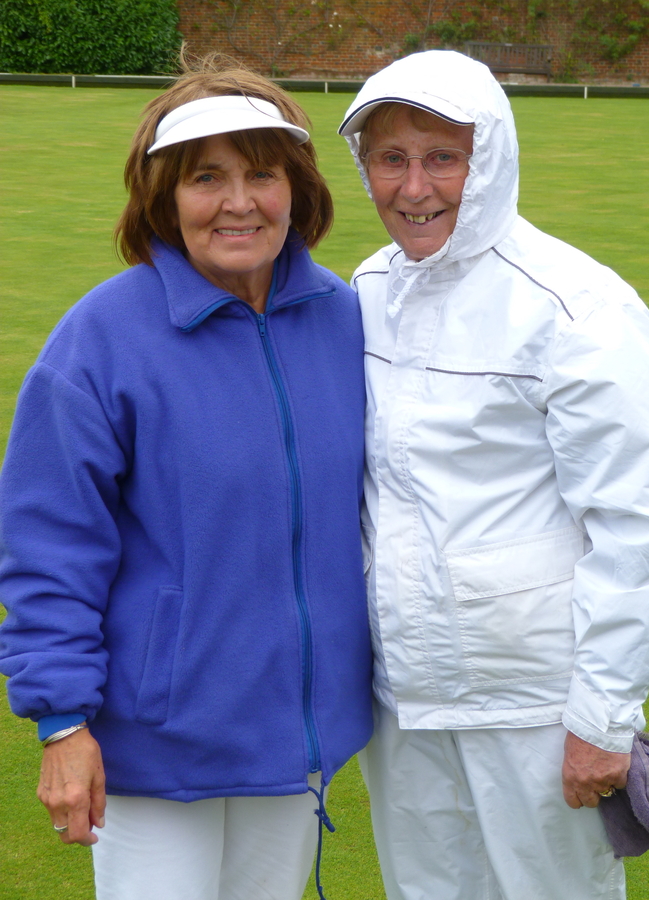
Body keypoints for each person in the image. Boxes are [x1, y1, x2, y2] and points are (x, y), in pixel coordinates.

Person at [0, 56, 372, 900]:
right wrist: (61, 721)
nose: (238, 202)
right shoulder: (99, 340)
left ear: (297, 189)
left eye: (261, 174)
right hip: (156, 748)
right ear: (162, 196)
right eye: (207, 177)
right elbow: (50, 548)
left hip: (297, 741)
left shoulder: (348, 321)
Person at [338, 50, 649, 900]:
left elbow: (639, 530)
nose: (413, 186)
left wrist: (601, 720)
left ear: (489, 158)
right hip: (403, 700)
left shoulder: (577, 308)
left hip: (531, 705)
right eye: (391, 158)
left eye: (441, 157)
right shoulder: (366, 288)